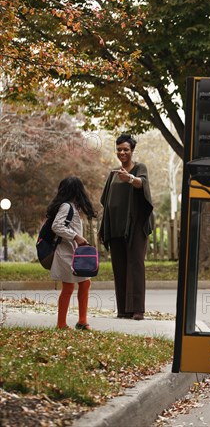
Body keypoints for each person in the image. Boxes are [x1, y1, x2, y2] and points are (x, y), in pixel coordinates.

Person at [99, 134, 153, 320]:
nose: (122, 152)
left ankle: (137, 309)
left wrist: (130, 179)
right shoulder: (114, 172)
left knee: (135, 265)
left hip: (136, 226)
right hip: (116, 227)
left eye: (126, 149)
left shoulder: (139, 168)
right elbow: (105, 200)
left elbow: (142, 184)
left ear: (132, 151)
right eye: (119, 149)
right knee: (119, 266)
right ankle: (123, 309)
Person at [47, 176, 97, 330]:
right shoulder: (67, 207)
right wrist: (77, 237)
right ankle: (61, 324)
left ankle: (82, 321)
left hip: (74, 252)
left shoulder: (72, 207)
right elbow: (57, 226)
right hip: (66, 252)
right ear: (77, 190)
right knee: (69, 287)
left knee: (85, 283)